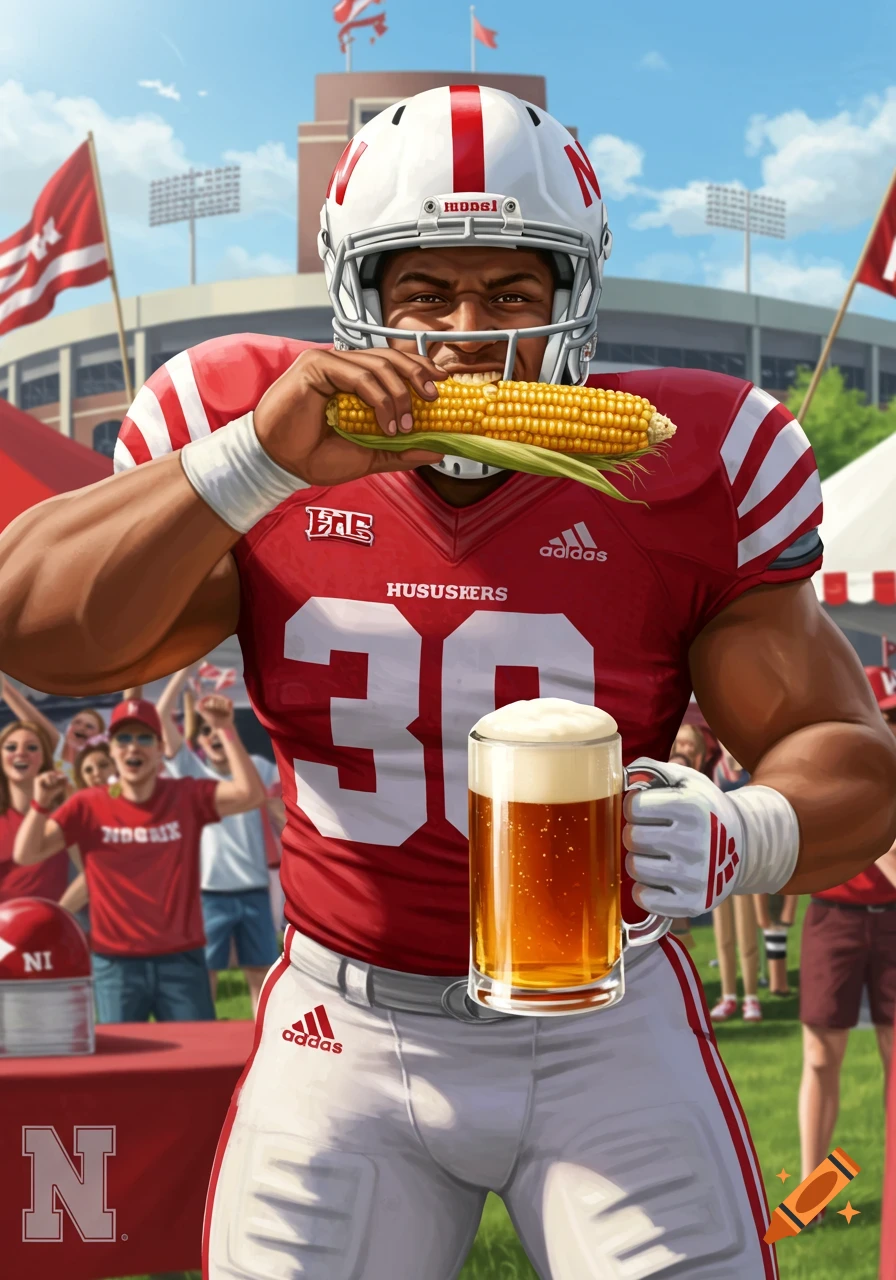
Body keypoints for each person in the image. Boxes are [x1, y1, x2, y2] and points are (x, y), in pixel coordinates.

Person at [1, 86, 896, 1280]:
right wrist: (247, 462)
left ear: (574, 295)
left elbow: (845, 750)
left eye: (512, 290)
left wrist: (747, 828)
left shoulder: (693, 463)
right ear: (353, 297)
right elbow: (34, 629)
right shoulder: (242, 426)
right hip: (344, 1022)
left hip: (602, 1016)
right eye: (421, 289)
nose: (468, 330)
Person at [12, 696, 265, 1023]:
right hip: (115, 965)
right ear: (113, 750)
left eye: (144, 738)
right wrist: (40, 806)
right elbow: (27, 853)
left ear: (160, 748)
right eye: (124, 739)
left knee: (193, 1069)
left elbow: (251, 795)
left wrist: (225, 728)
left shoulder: (185, 795)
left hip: (181, 963)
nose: (134, 747)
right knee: (120, 1071)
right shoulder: (87, 804)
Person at [797, 667, 896, 1208]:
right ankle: (812, 1198)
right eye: (875, 715)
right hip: (835, 913)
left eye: (893, 716)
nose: (885, 727)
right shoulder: (827, 764)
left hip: (892, 920)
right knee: (818, 1056)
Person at [156, 666, 282, 1016]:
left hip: (254, 888)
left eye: (219, 731)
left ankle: (259, 1042)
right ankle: (207, 1043)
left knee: (260, 972)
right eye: (206, 732)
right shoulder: (190, 771)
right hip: (208, 892)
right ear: (196, 742)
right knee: (207, 972)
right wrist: (182, 670)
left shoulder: (258, 766)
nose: (213, 736)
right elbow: (159, 716)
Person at [0, 719, 86, 910]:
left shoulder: (62, 815)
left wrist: (60, 913)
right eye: (11, 747)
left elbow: (92, 872)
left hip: (49, 930)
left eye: (31, 747)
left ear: (43, 759)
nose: (21, 753)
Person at [709, 746, 762, 1023]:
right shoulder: (715, 772)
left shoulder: (754, 770)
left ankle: (751, 997)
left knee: (746, 935)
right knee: (724, 936)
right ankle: (729, 996)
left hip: (745, 863)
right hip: (718, 862)